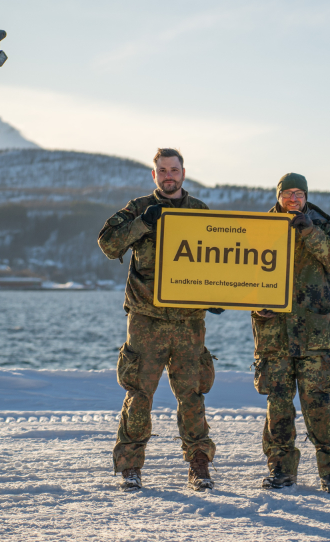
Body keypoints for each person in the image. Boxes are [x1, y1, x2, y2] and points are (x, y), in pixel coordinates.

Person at [97, 148, 217, 492]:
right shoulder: (138, 208)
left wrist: (218, 296)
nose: (168, 175)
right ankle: (131, 467)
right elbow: (108, 244)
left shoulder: (200, 212)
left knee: (192, 395)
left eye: (174, 169)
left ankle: (199, 464)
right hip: (146, 320)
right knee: (138, 395)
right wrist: (142, 223)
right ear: (155, 175)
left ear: (183, 173)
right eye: (162, 170)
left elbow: (218, 262)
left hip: (188, 322)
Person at [251, 173, 330, 493]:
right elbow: (243, 276)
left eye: (299, 193)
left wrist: (309, 233)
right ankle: (280, 469)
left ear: (306, 196)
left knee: (319, 405)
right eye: (287, 194)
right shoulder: (260, 229)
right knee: (278, 408)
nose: (293, 199)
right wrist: (256, 307)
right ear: (278, 196)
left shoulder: (321, 226)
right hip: (274, 336)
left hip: (315, 337)